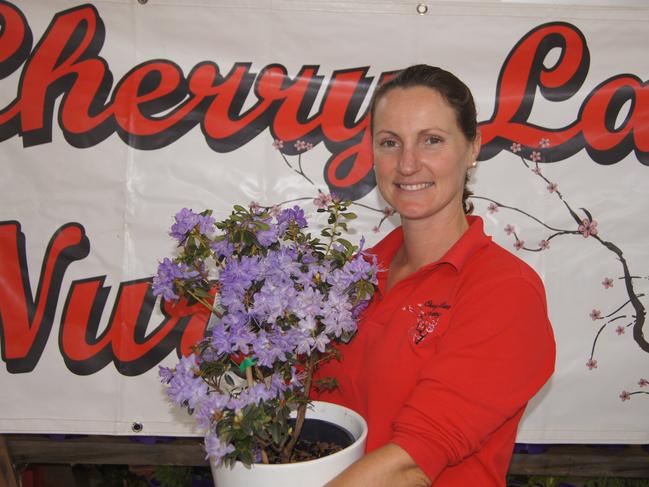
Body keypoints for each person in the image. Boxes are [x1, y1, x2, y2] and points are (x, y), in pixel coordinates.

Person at [316, 65, 556, 486]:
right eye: (390, 142)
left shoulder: (505, 291)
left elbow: (411, 464)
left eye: (432, 140)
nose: (408, 164)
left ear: (473, 147)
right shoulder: (354, 275)